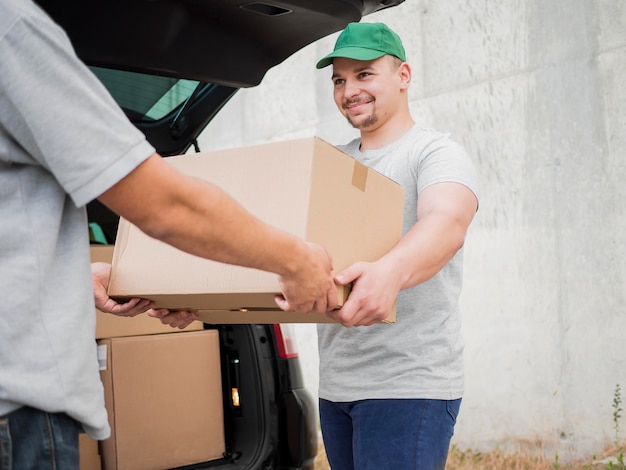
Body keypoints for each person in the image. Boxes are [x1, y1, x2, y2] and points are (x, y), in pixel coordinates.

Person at [0, 1, 338, 468]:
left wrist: (80, 280)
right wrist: (298, 262)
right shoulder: (10, 28)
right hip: (14, 414)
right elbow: (166, 206)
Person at [315, 22, 480, 469]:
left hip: (409, 384)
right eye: (339, 80)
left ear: (403, 75)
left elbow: (446, 222)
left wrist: (387, 274)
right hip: (337, 386)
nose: (349, 90)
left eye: (364, 74)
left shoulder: (433, 153)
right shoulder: (332, 163)